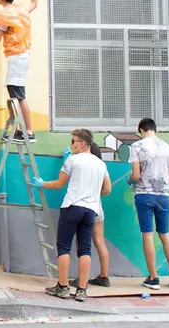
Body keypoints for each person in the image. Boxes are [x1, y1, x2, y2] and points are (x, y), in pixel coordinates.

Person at [32, 129, 111, 302]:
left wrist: (42, 184)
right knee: (85, 250)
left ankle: (63, 287)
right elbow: (107, 189)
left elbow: (60, 184)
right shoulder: (101, 164)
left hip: (72, 207)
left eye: (73, 141)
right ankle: (82, 290)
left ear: (82, 143)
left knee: (64, 247)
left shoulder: (72, 160)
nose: (71, 144)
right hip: (91, 211)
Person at [129, 118, 169, 290]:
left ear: (141, 130)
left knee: (148, 235)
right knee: (165, 234)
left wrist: (130, 181)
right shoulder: (168, 147)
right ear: (155, 130)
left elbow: (136, 175)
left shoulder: (137, 146)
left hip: (145, 194)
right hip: (164, 195)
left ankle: (153, 278)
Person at [0, 0, 38, 143]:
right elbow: (34, 3)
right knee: (17, 94)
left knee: (18, 95)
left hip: (16, 57)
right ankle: (25, 130)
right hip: (23, 56)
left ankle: (28, 132)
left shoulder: (4, 15)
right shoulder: (21, 10)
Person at [65, 144, 111, 288]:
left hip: (83, 207)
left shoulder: (80, 163)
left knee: (83, 245)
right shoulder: (100, 166)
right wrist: (96, 192)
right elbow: (108, 189)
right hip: (98, 208)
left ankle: (81, 279)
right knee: (99, 242)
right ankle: (104, 277)